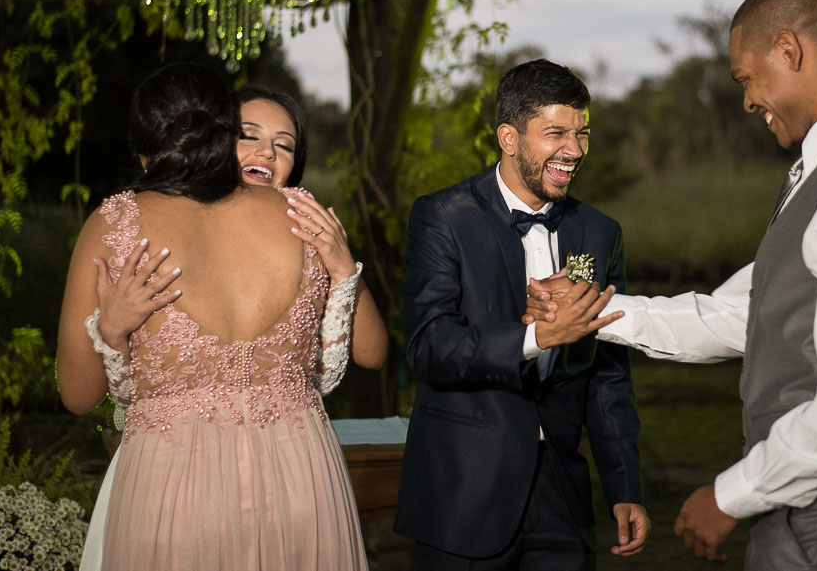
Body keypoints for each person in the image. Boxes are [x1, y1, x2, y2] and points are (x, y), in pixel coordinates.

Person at [528, 0, 817, 571]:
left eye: (745, 79)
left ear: (789, 50)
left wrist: (734, 493)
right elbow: (741, 313)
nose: (748, 101)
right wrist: (590, 312)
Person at [57, 64, 375, 570]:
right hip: (301, 477)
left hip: (172, 488)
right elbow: (367, 352)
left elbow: (77, 396)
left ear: (142, 145)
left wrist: (110, 331)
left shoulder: (114, 224)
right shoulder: (298, 213)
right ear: (227, 131)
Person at [394, 58, 650, 569]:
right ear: (508, 138)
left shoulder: (599, 234)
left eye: (582, 133)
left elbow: (605, 373)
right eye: (556, 133)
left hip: (562, 499)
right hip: (464, 494)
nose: (574, 151)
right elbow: (429, 344)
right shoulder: (443, 216)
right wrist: (536, 337)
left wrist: (624, 484)